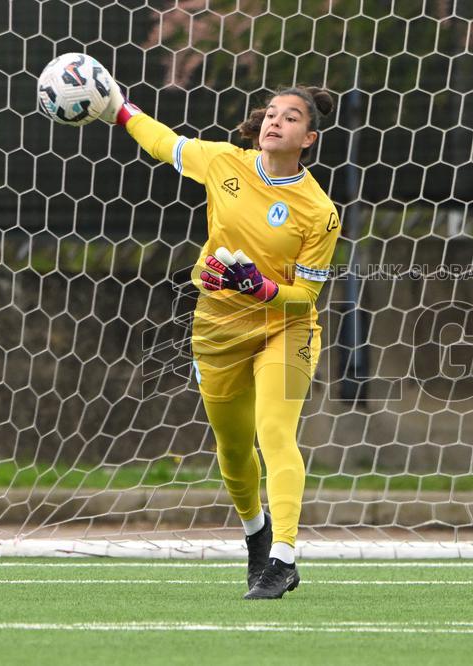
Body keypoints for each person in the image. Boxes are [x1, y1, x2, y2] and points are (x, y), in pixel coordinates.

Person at [97, 75, 340, 597]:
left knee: (275, 432)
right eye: (272, 113)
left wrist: (262, 287)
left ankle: (284, 557)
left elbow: (306, 298)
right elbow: (164, 141)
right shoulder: (224, 162)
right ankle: (257, 535)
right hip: (217, 328)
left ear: (309, 139)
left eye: (290, 117)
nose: (276, 121)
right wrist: (119, 109)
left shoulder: (320, 212)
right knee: (232, 449)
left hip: (287, 329)